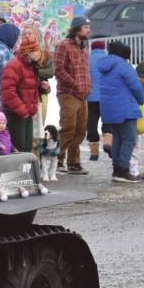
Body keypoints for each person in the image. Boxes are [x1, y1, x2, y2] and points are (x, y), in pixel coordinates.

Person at [97, 41, 144, 183]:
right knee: (130, 139)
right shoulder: (124, 66)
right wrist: (142, 100)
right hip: (125, 108)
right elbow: (136, 86)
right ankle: (123, 170)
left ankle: (117, 170)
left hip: (109, 108)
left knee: (117, 138)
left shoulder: (105, 66)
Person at [54, 15, 92, 174]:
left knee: (80, 130)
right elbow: (58, 69)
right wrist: (74, 83)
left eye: (88, 27)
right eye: (85, 27)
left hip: (83, 95)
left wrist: (87, 86)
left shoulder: (84, 47)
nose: (88, 30)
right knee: (68, 128)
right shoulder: (64, 45)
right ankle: (56, 160)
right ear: (77, 29)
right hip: (68, 93)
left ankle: (74, 162)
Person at [0, 32, 47, 154]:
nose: (39, 53)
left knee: (27, 148)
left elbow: (27, 86)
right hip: (16, 115)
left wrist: (41, 87)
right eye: (35, 50)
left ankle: (26, 168)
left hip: (27, 114)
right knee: (18, 150)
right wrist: (22, 110)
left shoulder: (31, 66)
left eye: (38, 49)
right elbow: (7, 91)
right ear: (27, 51)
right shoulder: (14, 65)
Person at [86, 39, 108, 160]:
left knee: (91, 123)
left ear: (92, 48)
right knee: (107, 121)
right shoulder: (108, 60)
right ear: (103, 48)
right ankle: (108, 144)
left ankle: (94, 153)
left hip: (91, 98)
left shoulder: (87, 60)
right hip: (106, 97)